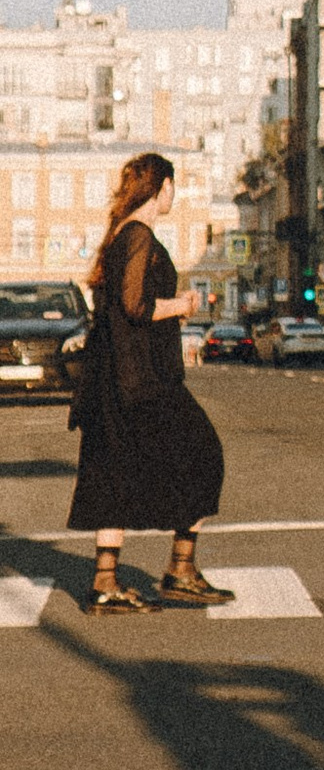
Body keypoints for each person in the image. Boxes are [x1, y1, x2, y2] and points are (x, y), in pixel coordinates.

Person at [68, 151, 229, 612]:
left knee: (113, 475)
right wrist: (181, 305)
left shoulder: (120, 234)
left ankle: (105, 582)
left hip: (114, 379)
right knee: (204, 454)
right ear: (162, 187)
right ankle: (181, 569)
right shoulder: (138, 235)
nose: (173, 195)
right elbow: (136, 305)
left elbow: (122, 307)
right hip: (143, 380)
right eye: (172, 187)